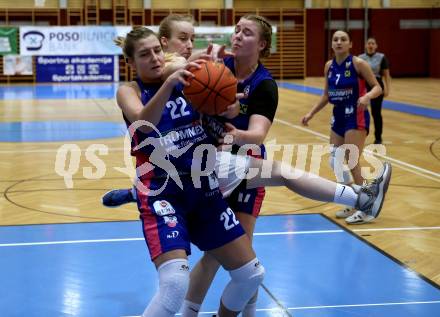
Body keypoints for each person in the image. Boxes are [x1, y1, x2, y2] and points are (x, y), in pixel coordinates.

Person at [108, 18, 392, 315]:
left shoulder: (217, 77)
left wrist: (227, 104)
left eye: (192, 38)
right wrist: (175, 74)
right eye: (182, 38)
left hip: (207, 170)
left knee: (248, 262)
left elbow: (231, 115)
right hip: (169, 184)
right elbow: (147, 116)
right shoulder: (145, 83)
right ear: (161, 45)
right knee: (179, 280)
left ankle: (361, 197)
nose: (189, 44)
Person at [114, 26, 266, 317]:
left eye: (157, 51)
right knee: (174, 285)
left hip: (202, 189)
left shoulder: (183, 77)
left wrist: (229, 105)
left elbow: (223, 105)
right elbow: (143, 123)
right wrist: (169, 84)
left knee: (252, 275)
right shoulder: (129, 91)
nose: (155, 58)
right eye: (144, 55)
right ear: (131, 63)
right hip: (162, 191)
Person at [301, 30, 384, 224]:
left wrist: (366, 97)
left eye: (343, 39)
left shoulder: (358, 64)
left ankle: (366, 207)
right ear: (332, 44)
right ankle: (354, 199)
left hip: (355, 114)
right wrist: (311, 113)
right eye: (335, 39)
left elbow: (378, 87)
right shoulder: (329, 66)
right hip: (337, 114)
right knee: (335, 160)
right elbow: (326, 95)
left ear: (350, 44)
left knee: (352, 161)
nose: (339, 42)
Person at [359, 37, 391, 144]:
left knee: (376, 113)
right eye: (369, 43)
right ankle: (360, 134)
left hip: (376, 85)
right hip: (363, 85)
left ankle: (378, 137)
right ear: (365, 45)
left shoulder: (381, 57)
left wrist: (387, 88)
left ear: (376, 46)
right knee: (361, 111)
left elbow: (386, 74)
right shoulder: (360, 58)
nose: (371, 45)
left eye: (373, 43)